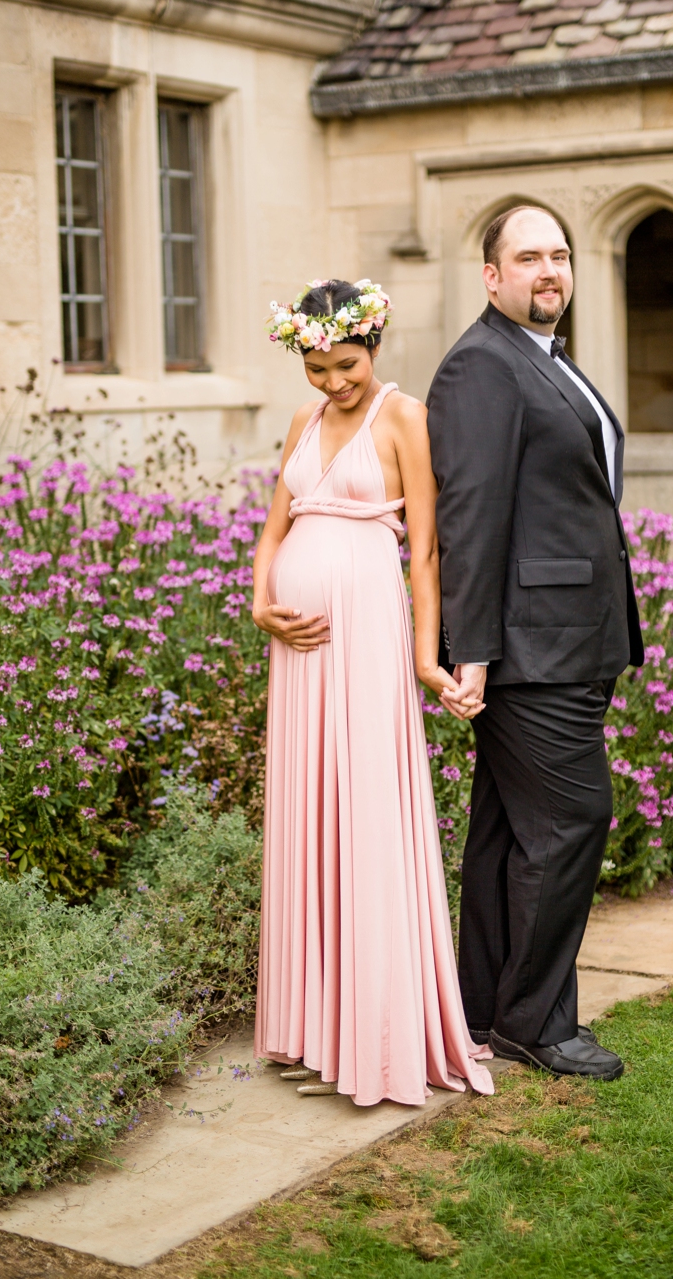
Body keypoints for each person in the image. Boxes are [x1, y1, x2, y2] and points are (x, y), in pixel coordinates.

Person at [250, 279, 495, 1106]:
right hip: (300, 648)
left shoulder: (403, 416)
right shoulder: (303, 421)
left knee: (364, 810)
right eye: (316, 368)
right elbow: (274, 528)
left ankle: (377, 1029)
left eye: (344, 365)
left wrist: (431, 659)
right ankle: (310, 1027)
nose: (331, 383)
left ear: (374, 345)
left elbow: (425, 553)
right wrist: (260, 601)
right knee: (308, 812)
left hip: (366, 636)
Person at [428, 204, 642, 1082]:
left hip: (573, 639)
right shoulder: (481, 367)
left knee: (510, 830)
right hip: (526, 650)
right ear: (491, 275)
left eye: (558, 255)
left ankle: (484, 1003)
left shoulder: (545, 358)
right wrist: (470, 649)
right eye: (528, 258)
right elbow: (470, 517)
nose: (548, 270)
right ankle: (537, 1025)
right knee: (570, 818)